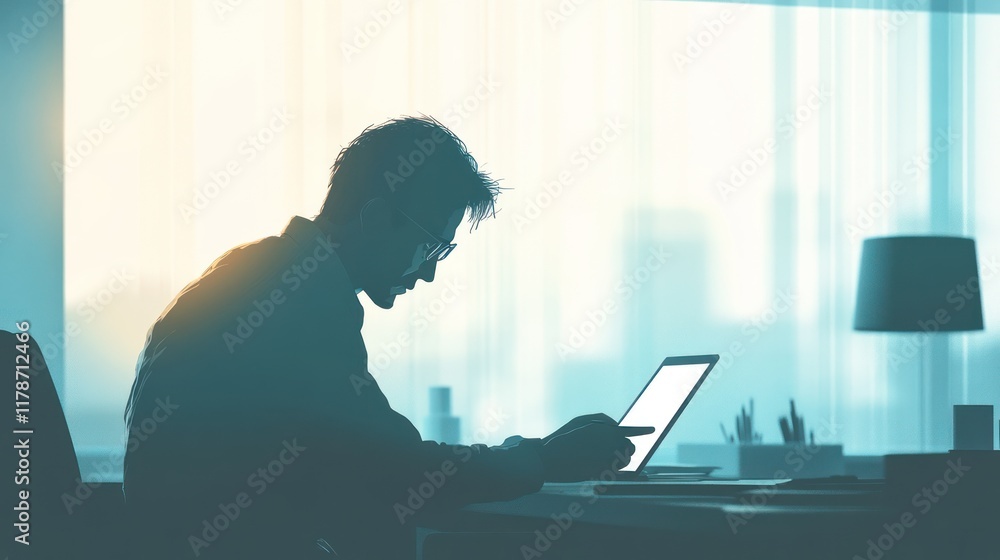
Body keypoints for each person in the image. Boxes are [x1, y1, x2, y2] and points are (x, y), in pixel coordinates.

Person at [123, 116, 650, 560]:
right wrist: (542, 459)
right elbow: (399, 470)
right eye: (430, 247)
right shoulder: (300, 300)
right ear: (376, 217)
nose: (428, 274)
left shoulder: (256, 273)